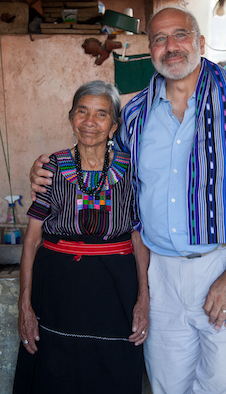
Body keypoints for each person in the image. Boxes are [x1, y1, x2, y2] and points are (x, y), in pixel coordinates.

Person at [30, 7, 226, 394]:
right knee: (166, 383)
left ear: (201, 43)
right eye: (158, 39)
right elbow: (98, 162)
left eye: (180, 35)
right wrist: (45, 169)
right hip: (160, 273)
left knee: (224, 385)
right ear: (150, 50)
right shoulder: (135, 116)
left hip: (222, 265)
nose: (170, 47)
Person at [14, 80, 149, 394]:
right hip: (57, 291)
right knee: (54, 371)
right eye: (82, 112)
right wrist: (25, 306)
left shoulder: (131, 169)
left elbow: (138, 237)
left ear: (114, 126)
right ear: (71, 117)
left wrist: (143, 298)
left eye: (102, 115)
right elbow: (32, 239)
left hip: (116, 291)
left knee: (112, 370)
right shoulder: (52, 168)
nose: (90, 122)